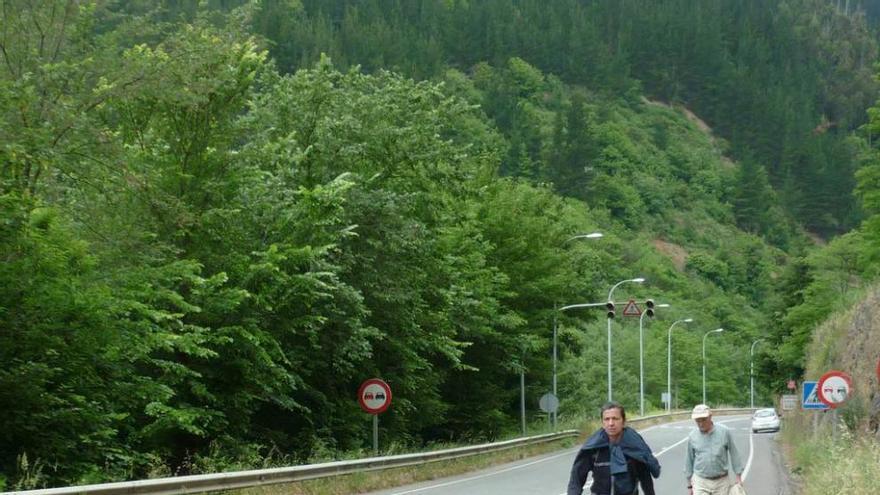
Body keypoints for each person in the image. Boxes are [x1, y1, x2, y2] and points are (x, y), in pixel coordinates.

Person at [567, 401, 661, 495]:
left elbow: (645, 478)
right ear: (602, 423)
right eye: (607, 419)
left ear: (623, 422)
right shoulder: (593, 448)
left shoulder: (635, 447)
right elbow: (576, 479)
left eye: (615, 418)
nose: (611, 423)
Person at [684, 404, 744, 495]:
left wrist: (738, 477)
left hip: (721, 482)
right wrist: (689, 486)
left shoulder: (724, 432)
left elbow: (734, 454)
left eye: (703, 420)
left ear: (710, 416)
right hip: (700, 481)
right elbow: (689, 460)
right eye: (697, 421)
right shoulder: (692, 436)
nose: (700, 424)